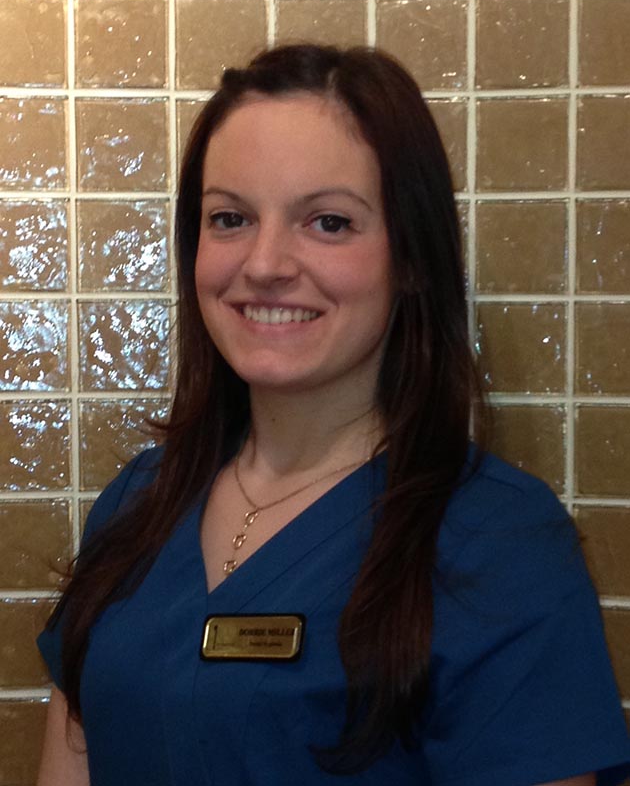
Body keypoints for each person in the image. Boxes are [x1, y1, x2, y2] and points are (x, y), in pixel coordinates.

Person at [37, 44, 630, 786]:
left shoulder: (500, 547)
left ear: (411, 257)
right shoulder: (137, 507)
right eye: (230, 218)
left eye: (328, 222)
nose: (265, 262)